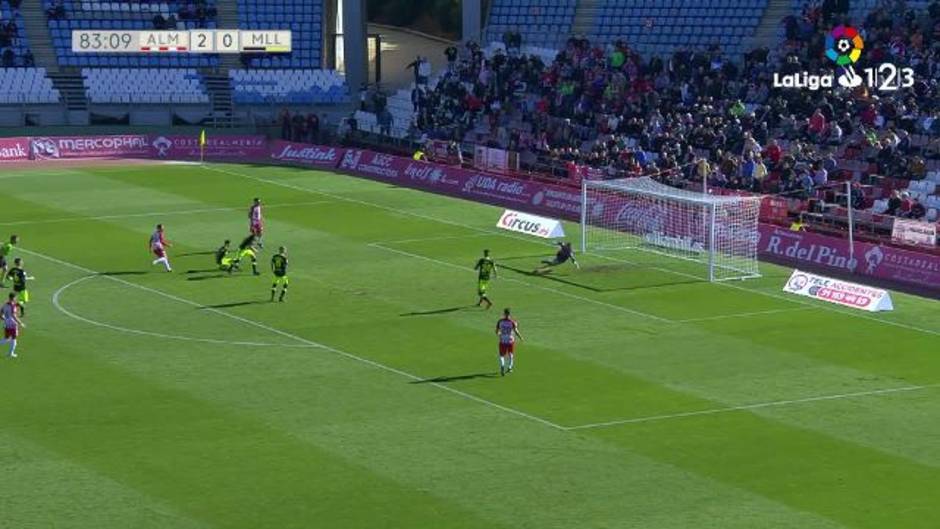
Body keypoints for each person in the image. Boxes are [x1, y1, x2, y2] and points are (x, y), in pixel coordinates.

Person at [495, 308, 523, 376]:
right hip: (510, 340)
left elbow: (496, 331)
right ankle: (510, 367)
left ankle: (502, 365)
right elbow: (516, 331)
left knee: (502, 355)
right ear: (509, 314)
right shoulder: (513, 322)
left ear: (504, 313)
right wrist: (521, 337)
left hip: (503, 340)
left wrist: (499, 334)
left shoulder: (500, 321)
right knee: (511, 354)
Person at [0, 292, 24, 358]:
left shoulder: (5, 304)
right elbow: (14, 315)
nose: (16, 298)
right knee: (14, 340)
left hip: (7, 324)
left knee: (6, 338)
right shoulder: (12, 306)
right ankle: (10, 354)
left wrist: (4, 319)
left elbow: (1, 313)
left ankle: (11, 353)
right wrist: (20, 323)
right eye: (15, 297)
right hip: (13, 325)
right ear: (13, 298)